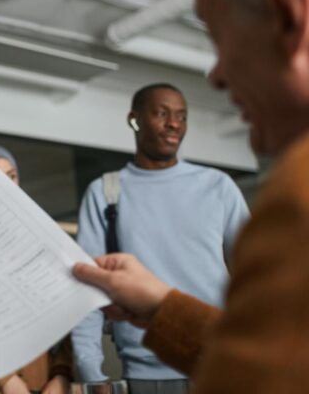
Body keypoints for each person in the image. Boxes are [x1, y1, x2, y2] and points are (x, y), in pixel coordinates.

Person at [73, 0, 309, 393]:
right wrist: (162, 308)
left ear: (292, 15)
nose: (218, 75)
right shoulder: (105, 192)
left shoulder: (297, 196)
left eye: (222, 39)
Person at [72, 84, 249, 394]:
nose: (174, 124)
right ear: (134, 119)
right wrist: (92, 372)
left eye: (181, 116)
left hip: (217, 363)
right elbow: (87, 289)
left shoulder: (217, 186)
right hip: (142, 375)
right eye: (162, 113)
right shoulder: (106, 192)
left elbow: (256, 276)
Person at [0, 144, 75, 394]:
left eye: (11, 176)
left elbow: (66, 314)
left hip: (44, 383)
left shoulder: (42, 240)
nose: (6, 184)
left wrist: (61, 375)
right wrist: (6, 380)